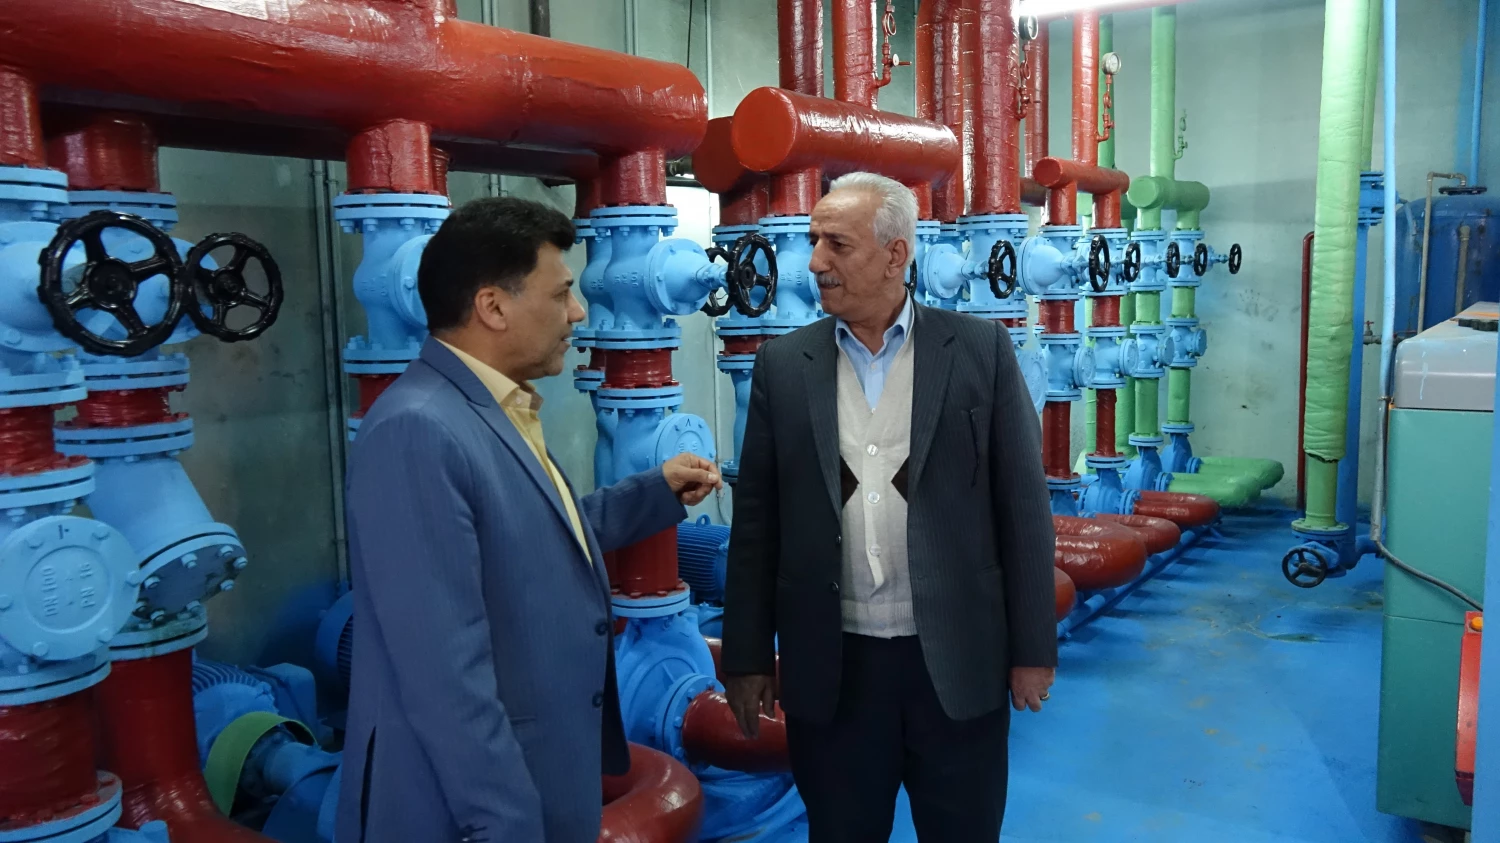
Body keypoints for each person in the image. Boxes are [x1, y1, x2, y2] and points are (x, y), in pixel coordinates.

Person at [336, 197, 722, 843]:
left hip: (540, 779)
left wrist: (653, 492)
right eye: (562, 293)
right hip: (471, 810)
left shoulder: (493, 408)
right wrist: (507, 825)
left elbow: (531, 539)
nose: (578, 312)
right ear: (493, 306)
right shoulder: (417, 430)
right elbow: (445, 676)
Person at [720, 172, 1057, 842]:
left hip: (955, 660)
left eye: (837, 244)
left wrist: (1032, 649)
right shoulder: (783, 366)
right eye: (814, 241)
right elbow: (758, 522)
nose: (815, 262)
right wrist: (748, 655)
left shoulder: (980, 351)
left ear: (895, 254)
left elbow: (1023, 508)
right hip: (833, 667)